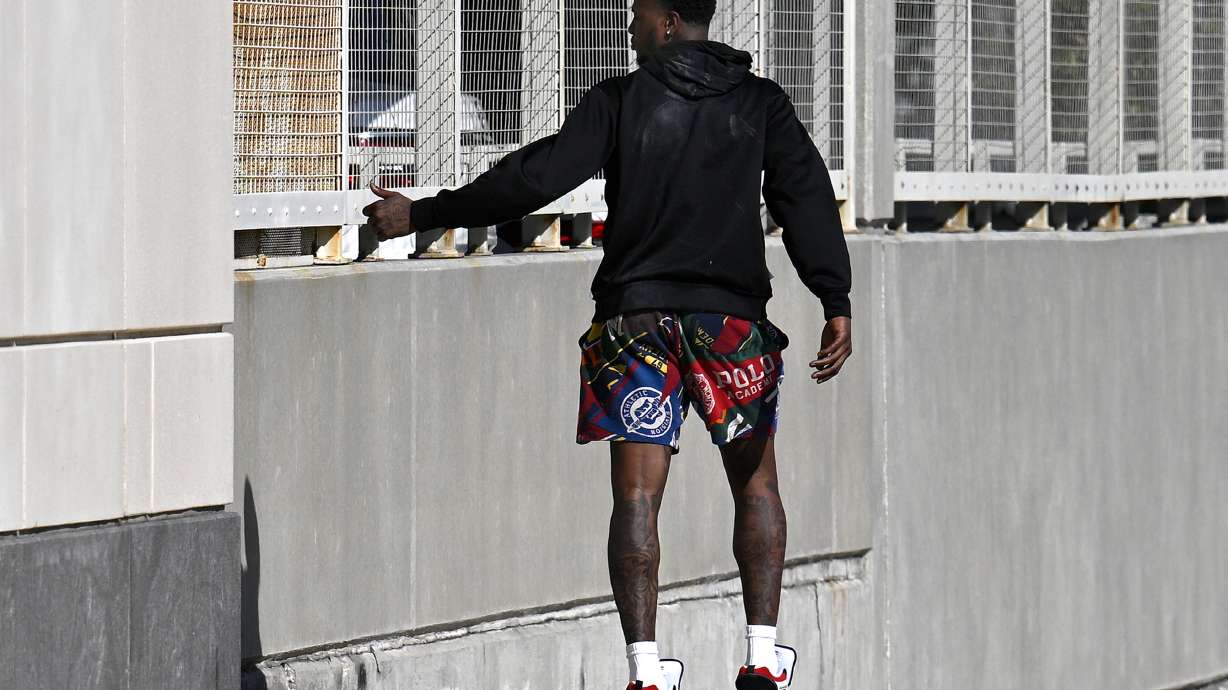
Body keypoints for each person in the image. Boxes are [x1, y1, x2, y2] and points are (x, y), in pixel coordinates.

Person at [362, 0, 852, 686]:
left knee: (636, 499)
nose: (628, 27)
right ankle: (763, 660)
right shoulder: (761, 104)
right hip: (729, 326)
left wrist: (426, 212)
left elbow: (535, 177)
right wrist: (835, 296)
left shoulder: (620, 102)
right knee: (757, 483)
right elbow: (804, 193)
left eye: (638, 14)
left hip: (635, 323)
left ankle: (645, 671)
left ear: (671, 21)